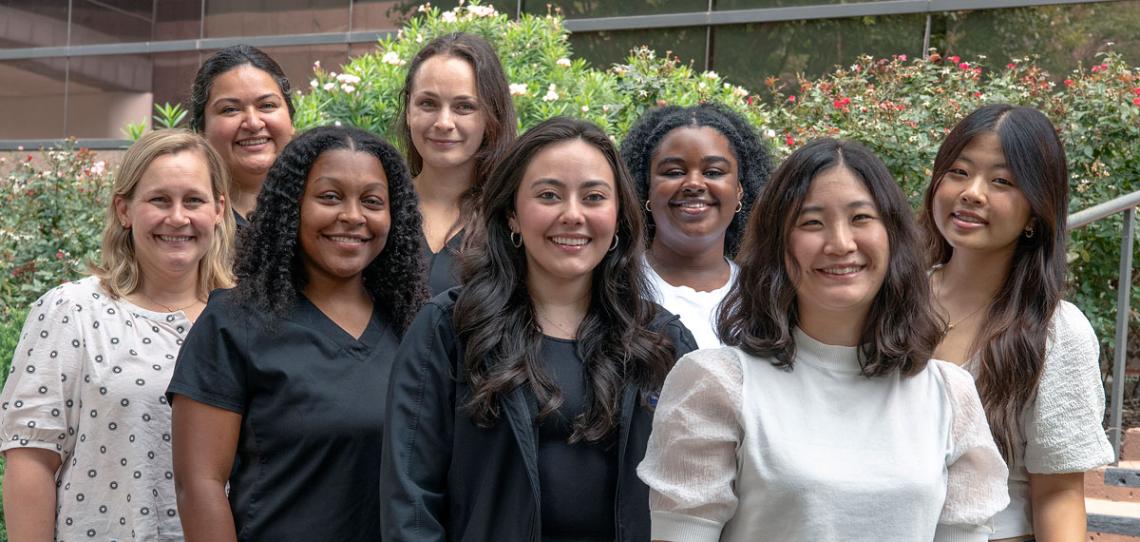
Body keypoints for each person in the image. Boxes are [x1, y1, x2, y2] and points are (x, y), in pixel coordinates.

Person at [638, 138, 1010, 541]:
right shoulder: (718, 385)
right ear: (779, 245)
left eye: (861, 218)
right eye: (812, 222)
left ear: (892, 236)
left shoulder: (949, 395)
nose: (840, 244)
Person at [381, 117, 697, 541]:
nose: (572, 215)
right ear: (512, 213)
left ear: (618, 215)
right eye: (549, 195)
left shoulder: (662, 341)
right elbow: (411, 498)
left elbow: (695, 497)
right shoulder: (451, 329)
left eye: (594, 197)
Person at [167, 126, 427, 542]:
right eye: (330, 196)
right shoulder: (233, 324)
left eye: (373, 202)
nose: (353, 216)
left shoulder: (416, 329)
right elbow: (199, 486)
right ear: (292, 207)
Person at [0, 129, 234, 540]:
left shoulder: (245, 321)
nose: (177, 217)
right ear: (125, 210)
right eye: (159, 199)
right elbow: (31, 460)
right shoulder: (73, 311)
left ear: (218, 209)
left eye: (193, 200)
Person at [920, 104, 1113, 540]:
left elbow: (1058, 495)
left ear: (1034, 211)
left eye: (1001, 181)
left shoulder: (1055, 332)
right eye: (958, 172)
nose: (972, 192)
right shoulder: (892, 300)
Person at [621, 104, 774, 348]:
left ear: (739, 191)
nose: (694, 184)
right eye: (673, 172)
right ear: (646, 188)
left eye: (713, 172)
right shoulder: (616, 288)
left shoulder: (766, 296)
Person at [397, 32, 518, 294]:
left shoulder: (513, 219)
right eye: (428, 104)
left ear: (491, 116)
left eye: (464, 107)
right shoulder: (378, 208)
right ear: (408, 111)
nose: (443, 123)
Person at [190, 44, 296, 228]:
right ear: (201, 130)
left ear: (291, 119)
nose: (254, 124)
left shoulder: (321, 207)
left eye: (267, 105)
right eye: (230, 109)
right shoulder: (186, 218)